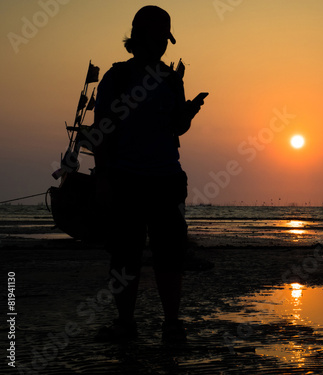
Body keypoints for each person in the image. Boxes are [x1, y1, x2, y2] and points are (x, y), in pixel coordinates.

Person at [93, 5, 204, 343]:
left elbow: (176, 128)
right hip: (126, 178)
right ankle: (125, 324)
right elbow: (101, 132)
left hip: (166, 179)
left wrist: (189, 113)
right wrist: (103, 178)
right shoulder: (117, 78)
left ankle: (172, 324)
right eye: (158, 37)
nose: (163, 45)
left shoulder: (172, 80)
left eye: (165, 39)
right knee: (124, 255)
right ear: (140, 37)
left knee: (169, 255)